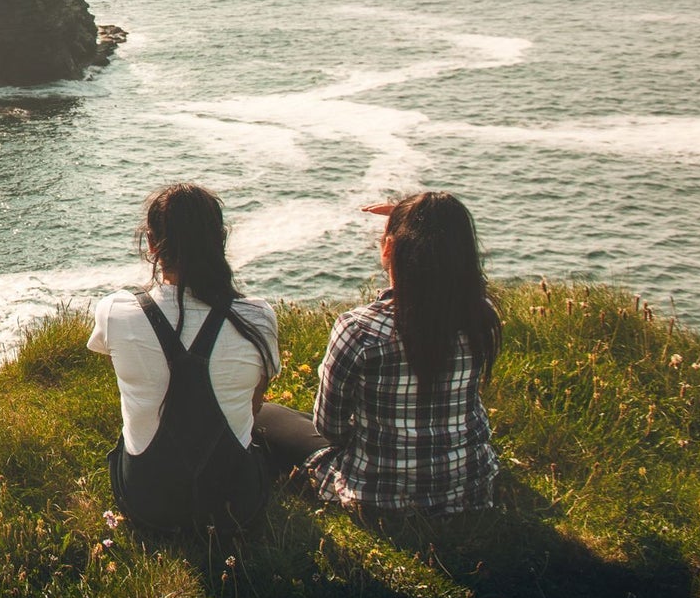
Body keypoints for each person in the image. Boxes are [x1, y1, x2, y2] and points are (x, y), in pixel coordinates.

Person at [257, 191, 503, 513]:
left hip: (375, 494)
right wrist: (417, 217)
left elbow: (330, 427)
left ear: (389, 248)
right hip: (468, 485)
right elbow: (454, 250)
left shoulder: (360, 328)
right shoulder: (482, 316)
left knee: (263, 414)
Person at [88, 183, 280, 533]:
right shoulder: (258, 317)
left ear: (151, 244)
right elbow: (254, 408)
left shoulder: (115, 310)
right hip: (234, 506)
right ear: (220, 240)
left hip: (147, 502)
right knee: (274, 422)